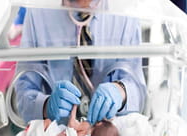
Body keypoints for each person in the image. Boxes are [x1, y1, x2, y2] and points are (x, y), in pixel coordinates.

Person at [15, 0, 146, 127]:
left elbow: (138, 90)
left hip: (110, 134)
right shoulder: (38, 13)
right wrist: (46, 106)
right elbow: (22, 95)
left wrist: (119, 92)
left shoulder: (125, 13)